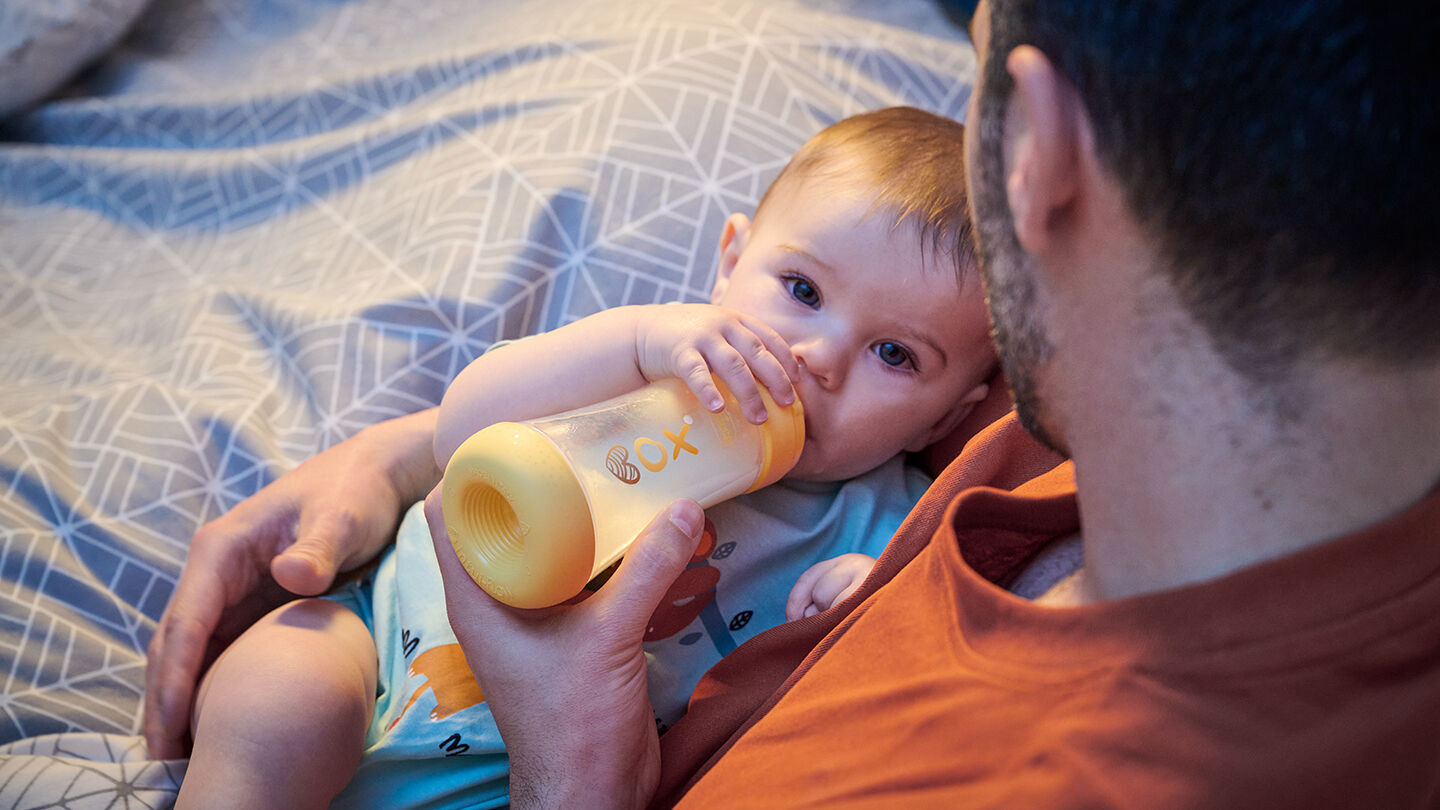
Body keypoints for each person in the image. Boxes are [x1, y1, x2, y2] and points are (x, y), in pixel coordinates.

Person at [413, 0, 1440, 807]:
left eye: (977, 47)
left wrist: (572, 781)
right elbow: (500, 428)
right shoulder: (1077, 408)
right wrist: (396, 459)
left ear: (1038, 151)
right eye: (800, 292)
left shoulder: (897, 717)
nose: (814, 361)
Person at [165, 106, 1000, 809]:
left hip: (518, 778)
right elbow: (463, 432)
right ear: (731, 261)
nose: (818, 356)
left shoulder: (882, 520)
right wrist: (636, 344)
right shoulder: (650, 365)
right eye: (803, 292)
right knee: (278, 697)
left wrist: (854, 595)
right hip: (374, 648)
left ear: (949, 414)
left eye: (895, 355)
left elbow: (891, 641)